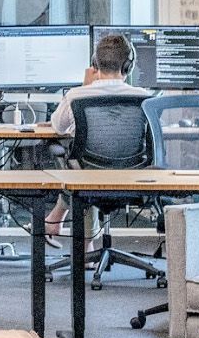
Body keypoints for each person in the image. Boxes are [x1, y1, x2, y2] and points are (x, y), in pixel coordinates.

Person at [43, 32, 150, 239]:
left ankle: (72, 235)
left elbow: (58, 127)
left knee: (80, 167)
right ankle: (74, 235)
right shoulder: (145, 98)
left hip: (88, 177)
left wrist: (85, 88)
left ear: (94, 64)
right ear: (128, 66)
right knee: (85, 168)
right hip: (132, 177)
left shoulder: (77, 96)